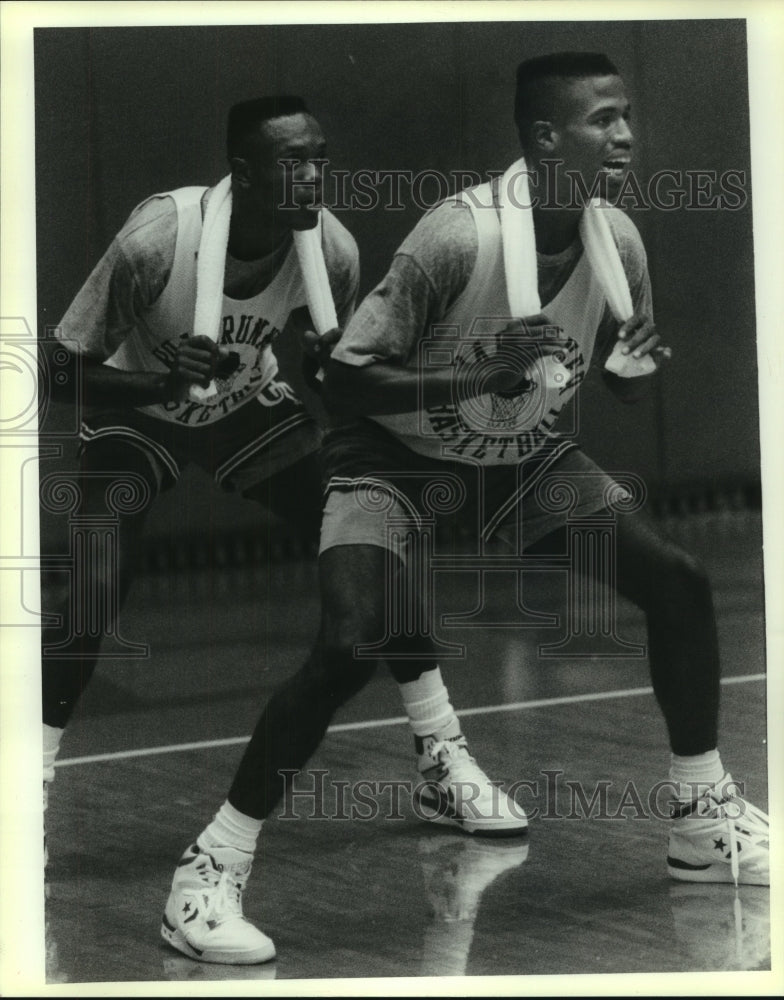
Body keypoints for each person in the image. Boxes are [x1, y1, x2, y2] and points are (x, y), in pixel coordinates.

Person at [42, 96, 527, 968]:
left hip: (245, 410)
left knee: (381, 532)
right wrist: (154, 385)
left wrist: (326, 375)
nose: (312, 176)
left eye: (321, 158)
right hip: (135, 411)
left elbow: (324, 357)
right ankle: (27, 792)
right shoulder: (161, 236)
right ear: (243, 169)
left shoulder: (330, 247)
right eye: (291, 162)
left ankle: (442, 755)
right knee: (93, 593)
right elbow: (59, 375)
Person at [316, 50, 769, 894]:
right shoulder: (457, 235)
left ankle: (702, 822)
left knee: (679, 582)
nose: (627, 135)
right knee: (349, 642)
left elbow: (624, 386)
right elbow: (345, 379)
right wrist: (470, 381)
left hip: (516, 457)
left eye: (628, 115)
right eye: (604, 120)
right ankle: (411, 768)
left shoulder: (616, 240)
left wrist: (635, 372)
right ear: (546, 136)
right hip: (402, 457)